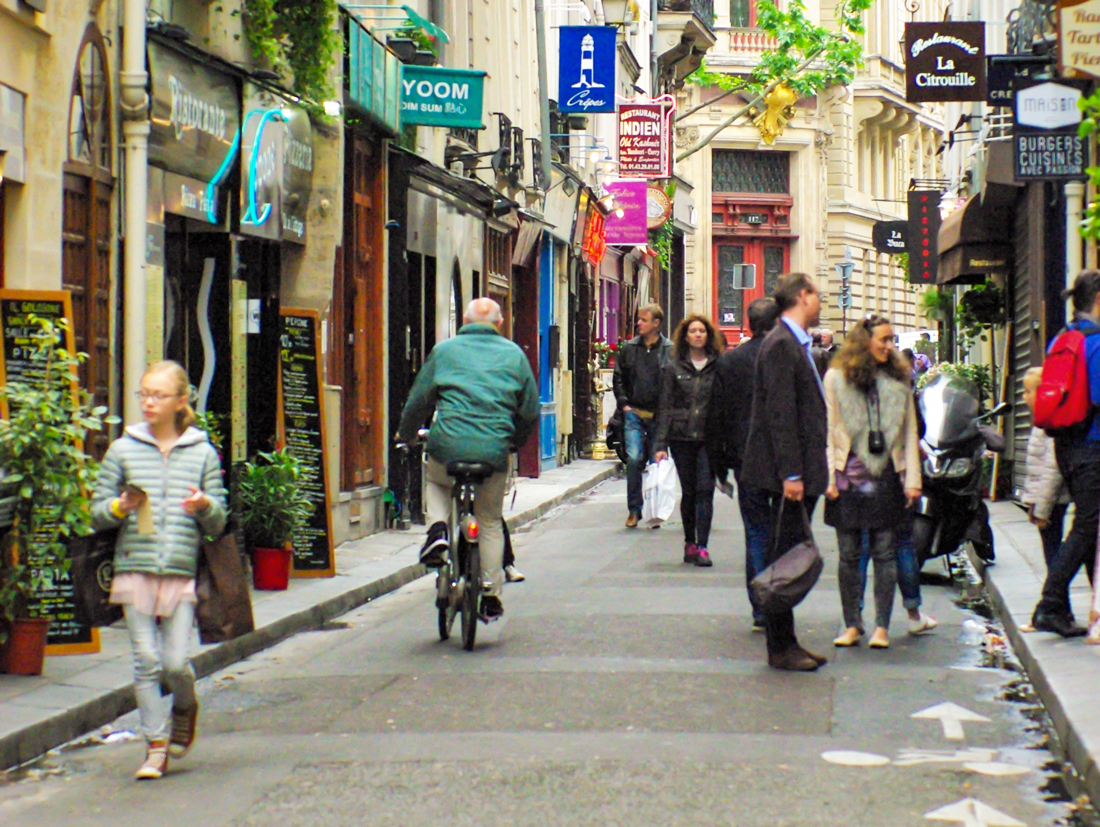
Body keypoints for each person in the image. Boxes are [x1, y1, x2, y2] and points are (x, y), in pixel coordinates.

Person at [91, 361, 227, 780]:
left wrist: (204, 506)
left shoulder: (202, 453)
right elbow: (96, 514)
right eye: (144, 394)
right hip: (134, 567)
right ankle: (154, 747)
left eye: (159, 395)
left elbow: (219, 523)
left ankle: (185, 705)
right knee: (145, 661)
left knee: (174, 663)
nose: (149, 402)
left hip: (181, 571)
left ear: (180, 401)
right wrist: (119, 507)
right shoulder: (123, 450)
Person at [397, 297, 539, 621]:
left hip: (447, 445)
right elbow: (529, 410)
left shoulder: (444, 351)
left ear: (464, 319)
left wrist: (405, 435)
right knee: (489, 520)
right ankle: (490, 592)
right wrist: (513, 442)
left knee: (435, 481)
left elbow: (418, 400)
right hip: (492, 450)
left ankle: (436, 532)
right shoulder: (514, 355)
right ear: (500, 324)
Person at [741, 273, 830, 671]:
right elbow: (780, 413)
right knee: (784, 560)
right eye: (817, 295)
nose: (820, 303)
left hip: (793, 472)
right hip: (784, 476)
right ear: (803, 296)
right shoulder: (781, 345)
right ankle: (780, 646)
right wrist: (791, 474)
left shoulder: (793, 343)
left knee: (789, 555)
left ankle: (786, 641)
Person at [824, 314, 922, 650]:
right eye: (884, 339)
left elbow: (910, 430)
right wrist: (828, 477)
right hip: (847, 477)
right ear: (865, 342)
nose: (889, 346)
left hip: (886, 476)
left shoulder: (899, 377)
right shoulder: (836, 377)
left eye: (892, 340)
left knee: (885, 552)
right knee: (849, 555)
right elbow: (827, 430)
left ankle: (882, 627)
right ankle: (852, 624)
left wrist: (913, 479)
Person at [1030, 271, 1100, 638]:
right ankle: (1049, 603)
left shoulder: (1061, 336)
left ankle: (1080, 606)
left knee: (1088, 526)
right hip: (1091, 445)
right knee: (1087, 527)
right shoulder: (1097, 342)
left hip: (1065, 445)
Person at [710, 297, 781, 631]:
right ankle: (778, 599)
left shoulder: (730, 362)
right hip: (782, 459)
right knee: (780, 532)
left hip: (745, 457)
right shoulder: (787, 356)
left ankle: (760, 608)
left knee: (755, 531)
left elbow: (718, 415)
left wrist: (719, 464)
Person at [654, 314, 723, 567]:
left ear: (708, 335)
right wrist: (660, 445)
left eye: (702, 331)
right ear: (685, 336)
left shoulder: (718, 366)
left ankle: (703, 546)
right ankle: (689, 541)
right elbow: (665, 406)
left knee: (706, 490)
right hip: (681, 437)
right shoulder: (673, 367)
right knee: (690, 492)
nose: (697, 335)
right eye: (693, 331)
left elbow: (725, 404)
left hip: (709, 437)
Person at [613, 304, 673, 528]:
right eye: (639, 319)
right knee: (635, 459)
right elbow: (619, 377)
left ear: (656, 323)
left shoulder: (669, 349)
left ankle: (653, 510)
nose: (639, 323)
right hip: (635, 413)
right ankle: (634, 509)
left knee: (655, 462)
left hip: (659, 414)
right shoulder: (629, 348)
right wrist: (624, 405)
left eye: (644, 320)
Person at [1020, 366, 1070, 569]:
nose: (1024, 397)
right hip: (1047, 499)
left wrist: (1042, 508)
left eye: (1028, 392)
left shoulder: (1049, 426)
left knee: (1054, 552)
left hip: (1052, 501)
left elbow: (1052, 470)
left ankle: (1055, 593)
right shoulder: (1043, 421)